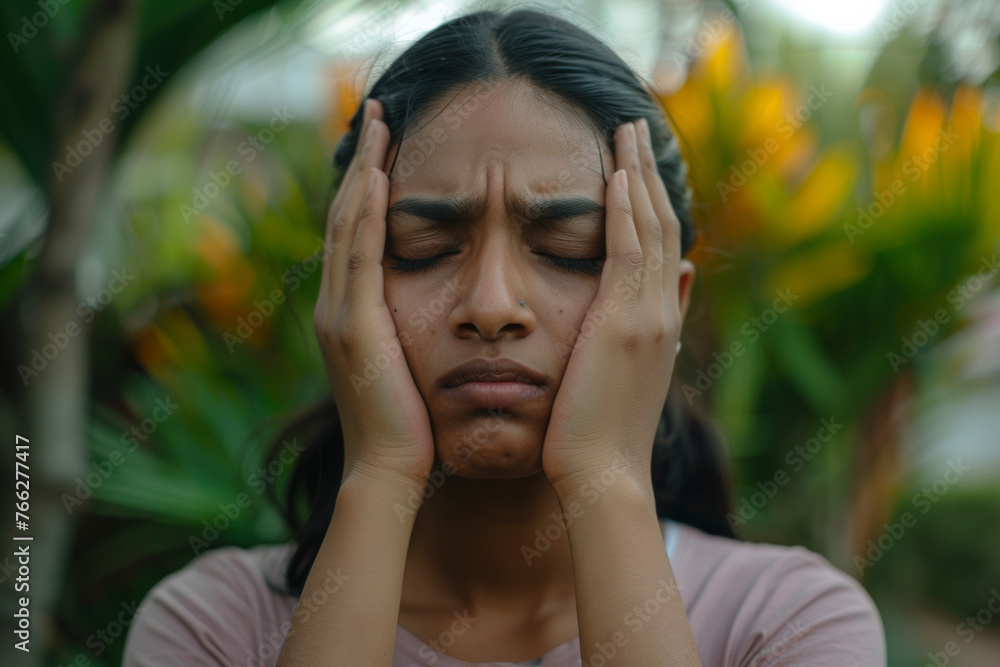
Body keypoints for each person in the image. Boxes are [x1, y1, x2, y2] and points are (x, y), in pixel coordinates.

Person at [123, 7, 886, 666]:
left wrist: (604, 476)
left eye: (569, 249)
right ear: (344, 289)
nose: (491, 305)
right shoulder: (214, 623)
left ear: (667, 306)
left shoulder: (788, 621)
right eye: (424, 245)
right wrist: (382, 474)